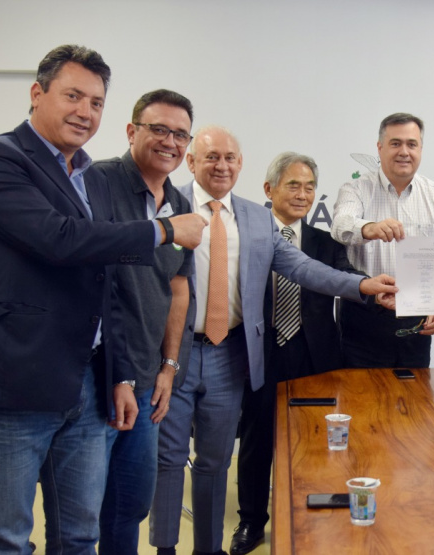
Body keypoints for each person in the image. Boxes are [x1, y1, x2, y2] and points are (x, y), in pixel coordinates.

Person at [0, 45, 205, 555]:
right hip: (20, 381)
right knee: (7, 537)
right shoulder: (2, 159)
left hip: (91, 379)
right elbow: (59, 240)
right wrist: (165, 230)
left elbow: (109, 286)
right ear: (37, 94)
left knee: (82, 533)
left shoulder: (80, 173)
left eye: (96, 102)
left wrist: (125, 372)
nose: (85, 111)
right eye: (72, 96)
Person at [149, 127, 396, 555]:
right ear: (191, 162)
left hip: (230, 355)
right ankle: (166, 548)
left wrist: (363, 286)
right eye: (211, 157)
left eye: (230, 158)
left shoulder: (254, 218)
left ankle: (208, 549)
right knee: (170, 460)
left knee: (214, 461)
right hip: (175, 354)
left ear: (240, 165)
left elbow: (305, 269)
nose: (222, 165)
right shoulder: (166, 207)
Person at [231, 152, 363, 555]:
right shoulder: (246, 236)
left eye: (309, 187)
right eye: (293, 185)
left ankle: (311, 516)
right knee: (257, 441)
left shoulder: (326, 242)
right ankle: (252, 522)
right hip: (262, 351)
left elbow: (350, 283)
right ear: (268, 189)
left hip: (315, 356)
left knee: (317, 443)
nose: (303, 194)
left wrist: (401, 295)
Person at [94, 89, 196, 555]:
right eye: (159, 129)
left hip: (148, 381)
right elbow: (97, 280)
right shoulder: (98, 183)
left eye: (180, 134)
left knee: (131, 504)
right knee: (81, 511)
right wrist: (121, 372)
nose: (170, 141)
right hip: (98, 375)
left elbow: (178, 289)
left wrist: (169, 367)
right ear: (132, 130)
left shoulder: (178, 202)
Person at [331, 112, 434, 367]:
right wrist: (370, 228)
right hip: (363, 319)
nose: (404, 151)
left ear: (421, 149)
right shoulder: (355, 189)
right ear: (379, 148)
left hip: (416, 324)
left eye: (411, 144)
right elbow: (339, 226)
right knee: (363, 401)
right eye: (395, 143)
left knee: (414, 401)